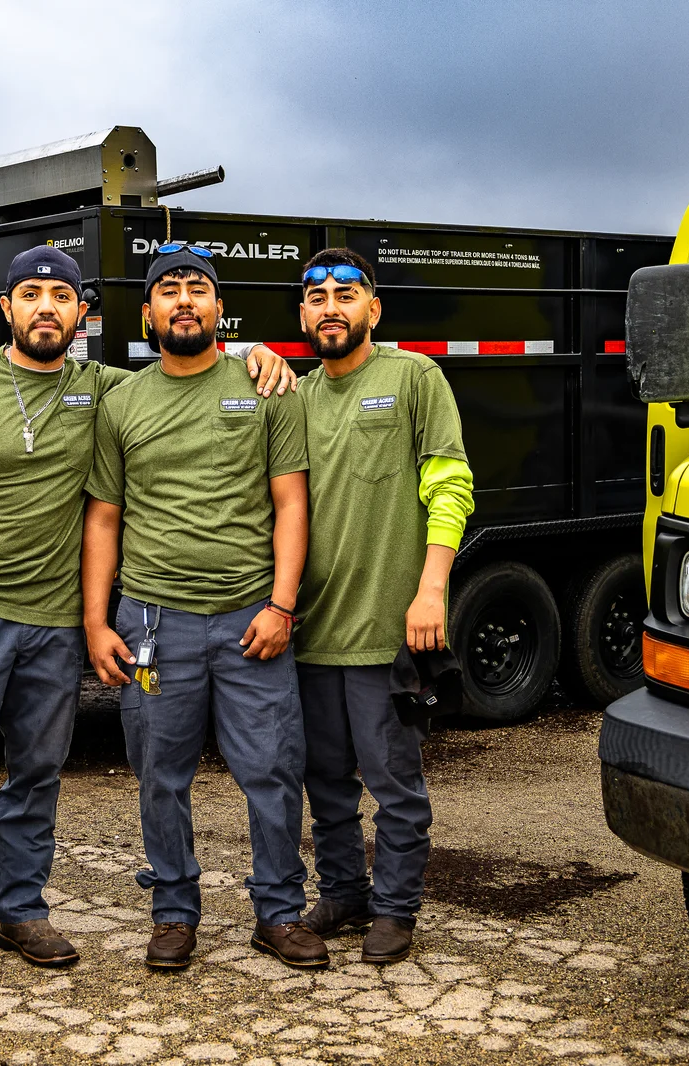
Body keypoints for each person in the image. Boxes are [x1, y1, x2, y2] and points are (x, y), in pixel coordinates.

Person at [0, 245, 297, 992]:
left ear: (82, 315)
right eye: (31, 295)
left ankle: (20, 913)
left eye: (61, 297)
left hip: (56, 625)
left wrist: (256, 352)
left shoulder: (104, 389)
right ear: (8, 309)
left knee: (36, 776)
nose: (46, 308)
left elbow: (185, 362)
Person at [82, 247, 325, 972]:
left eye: (198, 289)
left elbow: (291, 502)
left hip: (252, 620)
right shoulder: (121, 402)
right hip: (154, 627)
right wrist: (98, 622)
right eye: (168, 291)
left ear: (220, 309)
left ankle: (278, 911)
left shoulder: (265, 388)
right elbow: (102, 517)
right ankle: (174, 910)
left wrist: (282, 605)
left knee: (274, 770)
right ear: (149, 313)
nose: (184, 300)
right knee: (159, 772)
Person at [257, 248, 474, 965]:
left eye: (345, 294)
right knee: (326, 784)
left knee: (395, 784)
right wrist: (252, 350)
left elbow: (450, 484)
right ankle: (346, 892)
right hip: (312, 633)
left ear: (372, 309)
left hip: (388, 633)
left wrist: (432, 587)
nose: (330, 306)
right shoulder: (294, 398)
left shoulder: (413, 377)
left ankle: (397, 909)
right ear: (302, 316)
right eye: (315, 296)